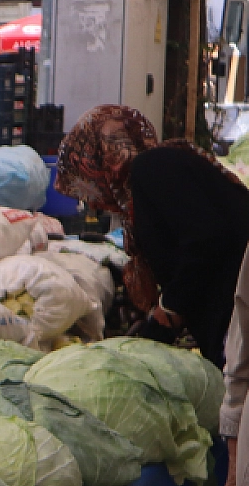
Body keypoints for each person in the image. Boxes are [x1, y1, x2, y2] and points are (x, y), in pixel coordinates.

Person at [55, 104, 249, 367]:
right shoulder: (148, 181)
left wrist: (169, 310)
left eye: (88, 180)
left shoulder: (154, 168)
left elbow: (208, 239)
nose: (93, 199)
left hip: (237, 311)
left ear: (104, 158)